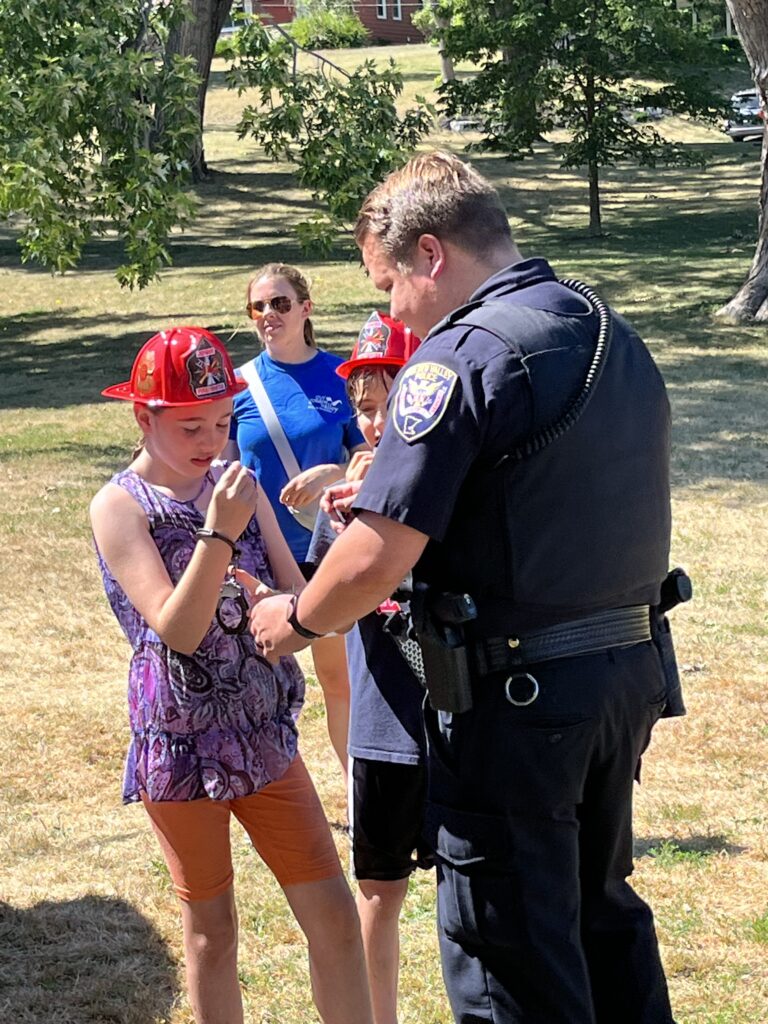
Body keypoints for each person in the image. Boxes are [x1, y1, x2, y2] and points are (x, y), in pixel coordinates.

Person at [248, 152, 685, 1024]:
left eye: (392, 284)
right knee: (600, 922)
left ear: (431, 254)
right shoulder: (609, 331)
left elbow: (374, 556)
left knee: (510, 955)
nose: (394, 310)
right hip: (621, 683)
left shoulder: (459, 359)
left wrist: (296, 617)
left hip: (517, 704)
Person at [90, 326, 372, 1024]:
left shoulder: (232, 485)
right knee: (212, 933)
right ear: (143, 416)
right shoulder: (121, 506)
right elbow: (177, 628)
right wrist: (218, 535)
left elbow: (293, 596)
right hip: (180, 745)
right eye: (190, 425)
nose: (210, 440)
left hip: (261, 733)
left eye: (221, 422)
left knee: (334, 916)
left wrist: (309, 570)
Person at [308, 311, 430, 1024]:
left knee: (478, 889)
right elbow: (329, 612)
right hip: (384, 733)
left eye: (392, 403)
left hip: (461, 719)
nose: (378, 422)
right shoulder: (341, 504)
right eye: (365, 407)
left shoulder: (460, 488)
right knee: (379, 891)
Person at [229, 263, 368, 779]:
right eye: (259, 306)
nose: (269, 314)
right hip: (259, 556)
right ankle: (264, 787)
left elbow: (370, 459)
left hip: (326, 550)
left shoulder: (341, 375)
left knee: (340, 681)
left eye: (280, 303)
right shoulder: (239, 385)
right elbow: (220, 469)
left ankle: (360, 795)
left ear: (305, 309)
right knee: (258, 681)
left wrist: (331, 471)